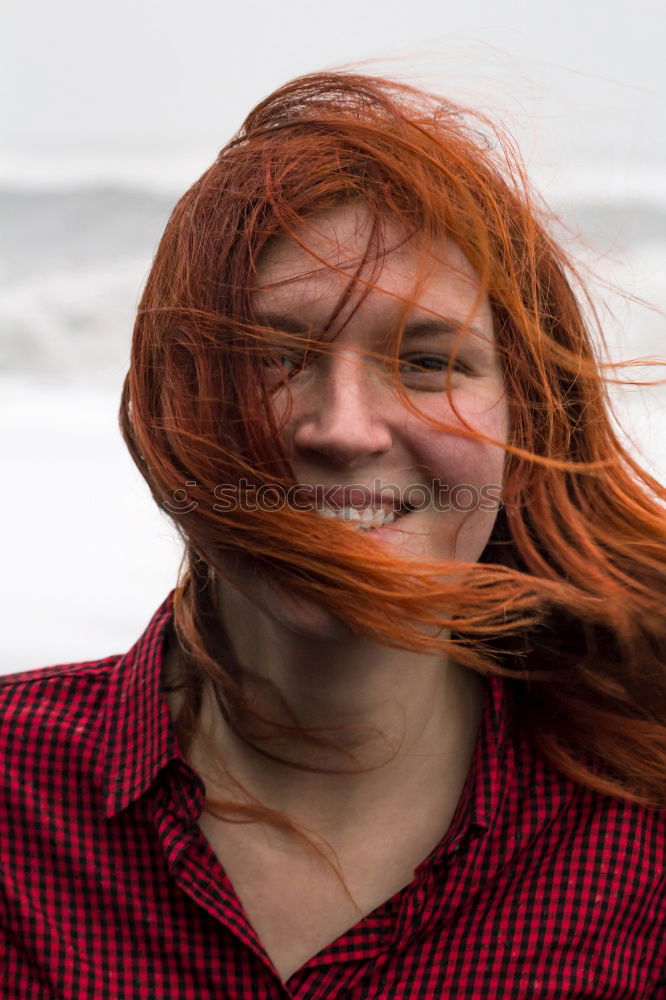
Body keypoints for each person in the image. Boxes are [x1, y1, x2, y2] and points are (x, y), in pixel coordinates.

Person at [2, 71, 665, 999]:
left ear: (530, 429)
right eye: (275, 359)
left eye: (428, 361)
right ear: (166, 402)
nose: (343, 429)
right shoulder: (12, 792)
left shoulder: (637, 838)